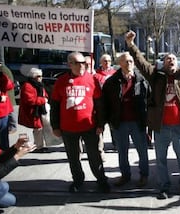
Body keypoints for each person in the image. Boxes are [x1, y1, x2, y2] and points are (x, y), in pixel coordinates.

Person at [125, 30, 180, 199]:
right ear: (163, 63)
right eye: (167, 59)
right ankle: (164, 187)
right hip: (161, 127)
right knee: (161, 160)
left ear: (177, 64)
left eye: (173, 59)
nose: (170, 60)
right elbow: (141, 62)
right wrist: (131, 45)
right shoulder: (155, 76)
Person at [50, 52, 110, 193]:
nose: (82, 65)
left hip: (89, 126)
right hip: (68, 128)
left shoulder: (92, 80)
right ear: (69, 64)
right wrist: (55, 126)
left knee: (94, 156)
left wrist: (101, 124)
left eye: (84, 62)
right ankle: (78, 180)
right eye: (77, 63)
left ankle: (101, 180)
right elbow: (55, 106)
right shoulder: (61, 81)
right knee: (73, 157)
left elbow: (99, 104)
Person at [97, 52, 150, 188]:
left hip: (137, 122)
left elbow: (149, 100)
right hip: (119, 122)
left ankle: (144, 175)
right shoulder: (111, 82)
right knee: (122, 151)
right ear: (119, 63)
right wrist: (104, 122)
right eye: (126, 61)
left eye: (131, 61)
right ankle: (125, 175)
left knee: (142, 151)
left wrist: (149, 121)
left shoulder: (141, 80)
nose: (129, 63)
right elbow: (104, 104)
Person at [18, 68, 49, 153]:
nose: (40, 78)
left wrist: (45, 98)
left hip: (39, 110)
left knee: (39, 128)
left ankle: (39, 145)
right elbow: (30, 100)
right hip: (32, 111)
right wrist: (43, 100)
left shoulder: (39, 85)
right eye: (38, 76)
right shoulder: (27, 86)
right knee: (38, 128)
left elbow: (44, 94)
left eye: (41, 76)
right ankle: (39, 146)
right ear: (33, 77)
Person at [93, 54, 117, 152]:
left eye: (109, 61)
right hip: (101, 104)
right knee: (100, 125)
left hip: (112, 103)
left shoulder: (115, 73)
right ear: (101, 62)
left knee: (114, 126)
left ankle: (116, 144)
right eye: (105, 61)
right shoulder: (96, 74)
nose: (107, 63)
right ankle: (100, 147)